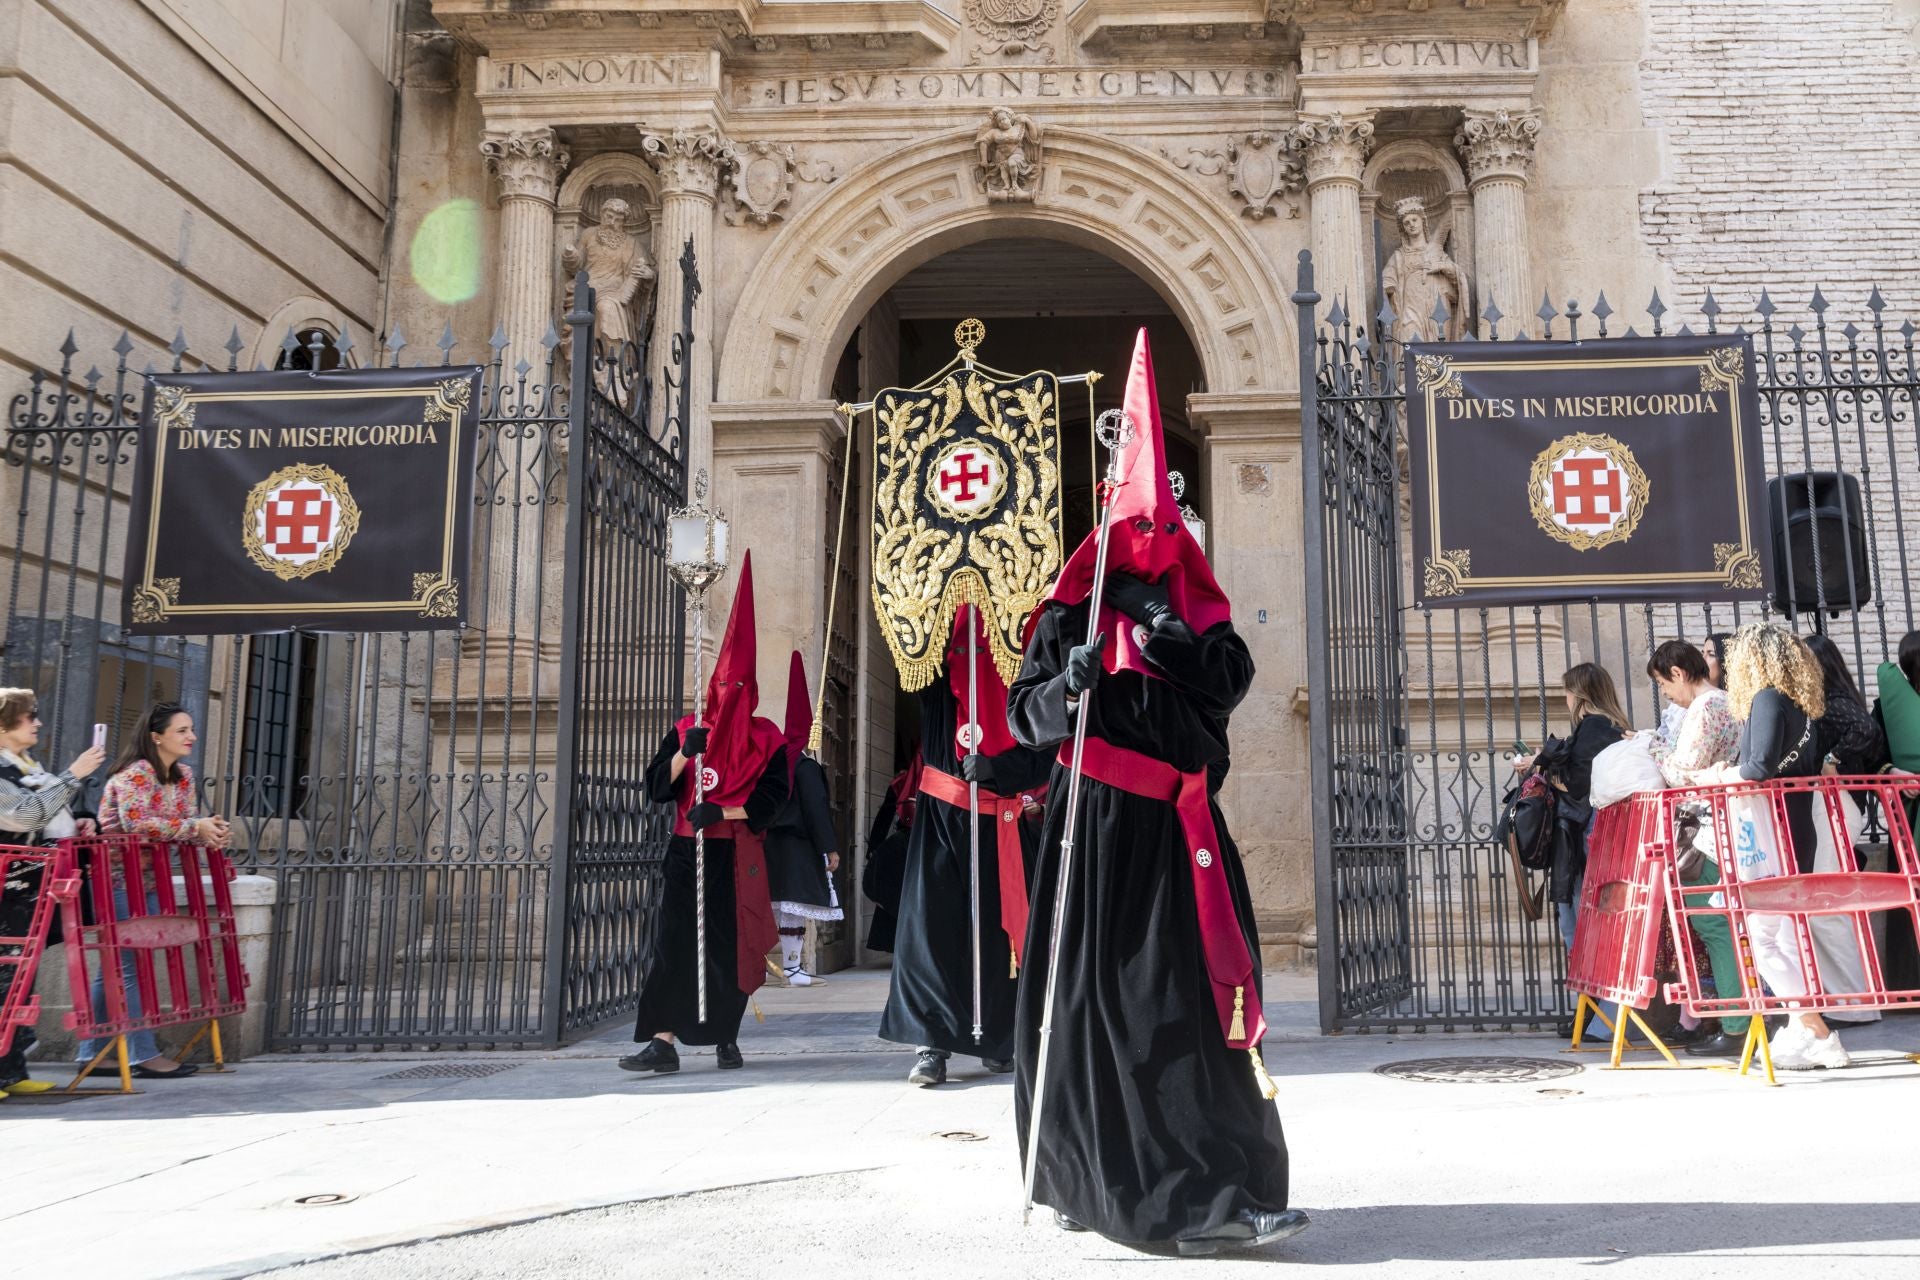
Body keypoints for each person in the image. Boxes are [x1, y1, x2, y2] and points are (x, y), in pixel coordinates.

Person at [1008, 330, 1303, 1255]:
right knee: (1091, 1002)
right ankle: (1075, 1169)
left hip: (1182, 836)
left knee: (1195, 1004)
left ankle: (1215, 1186)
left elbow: (1228, 683)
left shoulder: (1203, 622)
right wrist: (1070, 685)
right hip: (1093, 831)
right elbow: (1024, 719)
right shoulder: (1067, 614)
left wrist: (1167, 630)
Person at [622, 554, 789, 1076]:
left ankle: (727, 1037)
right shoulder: (687, 727)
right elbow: (653, 787)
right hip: (684, 849)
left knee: (728, 949)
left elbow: (773, 800)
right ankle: (663, 1042)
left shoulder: (769, 740)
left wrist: (727, 809)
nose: (728, 695)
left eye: (737, 689)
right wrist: (683, 753)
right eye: (722, 686)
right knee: (674, 945)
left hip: (734, 855)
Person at [880, 606, 1049, 1086]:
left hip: (1001, 821)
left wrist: (1002, 769)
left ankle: (998, 1038)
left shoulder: (1025, 661)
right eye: (961, 650)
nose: (967, 658)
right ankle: (930, 1043)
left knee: (998, 938)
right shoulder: (933, 669)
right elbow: (911, 640)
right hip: (941, 818)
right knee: (932, 933)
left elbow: (1047, 744)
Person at [1706, 623, 1850, 1070]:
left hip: (1771, 831)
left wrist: (1714, 778)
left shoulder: (1767, 698)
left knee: (1763, 937)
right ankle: (1804, 1030)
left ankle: (1819, 1033)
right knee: (1785, 936)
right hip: (1793, 827)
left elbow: (1757, 767)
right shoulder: (1801, 704)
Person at [83, 701, 230, 1079]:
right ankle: (141, 1053)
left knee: (120, 963)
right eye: (182, 730)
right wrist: (193, 827)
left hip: (150, 879)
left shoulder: (183, 776)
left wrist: (207, 831)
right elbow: (137, 825)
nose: (191, 737)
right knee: (129, 963)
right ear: (156, 736)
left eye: (191, 729)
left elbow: (178, 823)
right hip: (116, 878)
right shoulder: (135, 774)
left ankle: (93, 1053)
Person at [1641, 642, 1750, 1056]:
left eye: (1662, 683)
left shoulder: (1704, 708)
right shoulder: (1725, 702)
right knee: (1720, 927)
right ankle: (1732, 1021)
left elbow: (1681, 775)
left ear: (1678, 672)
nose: (1665, 693)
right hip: (1722, 823)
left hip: (1704, 831)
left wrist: (1652, 746)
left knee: (1715, 928)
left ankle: (1737, 1027)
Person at [0, 688, 105, 1098]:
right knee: (5, 975)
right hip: (9, 888)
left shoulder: (26, 766)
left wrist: (81, 821)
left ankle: (12, 1070)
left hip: (28, 889)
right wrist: (73, 774)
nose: (38, 723)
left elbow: (45, 814)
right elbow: (21, 814)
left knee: (19, 976)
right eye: (30, 717)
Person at [764, 652, 843, 987]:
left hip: (770, 845)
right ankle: (793, 967)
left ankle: (780, 967)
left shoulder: (774, 762)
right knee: (794, 909)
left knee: (777, 907)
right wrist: (830, 848)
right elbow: (815, 808)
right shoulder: (805, 767)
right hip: (797, 848)